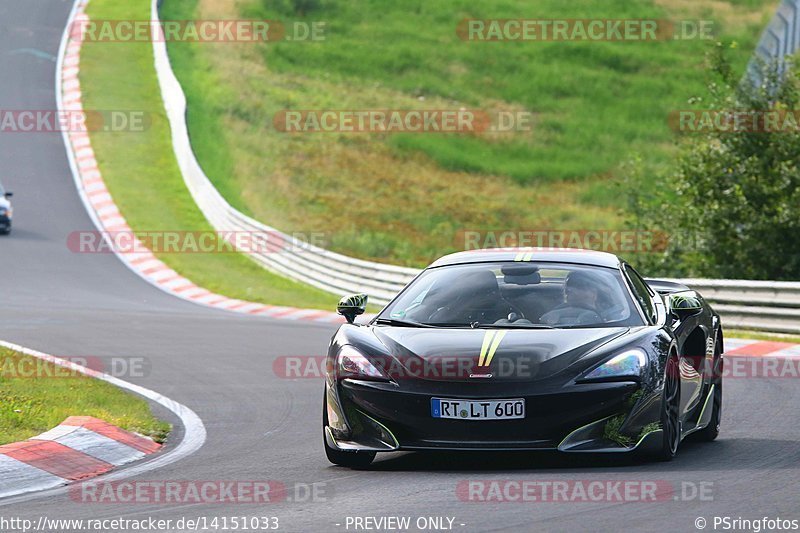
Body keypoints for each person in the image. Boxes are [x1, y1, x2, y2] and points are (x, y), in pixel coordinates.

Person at [539, 270, 603, 326]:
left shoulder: (549, 318)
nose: (574, 292)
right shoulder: (550, 317)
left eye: (583, 287)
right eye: (576, 287)